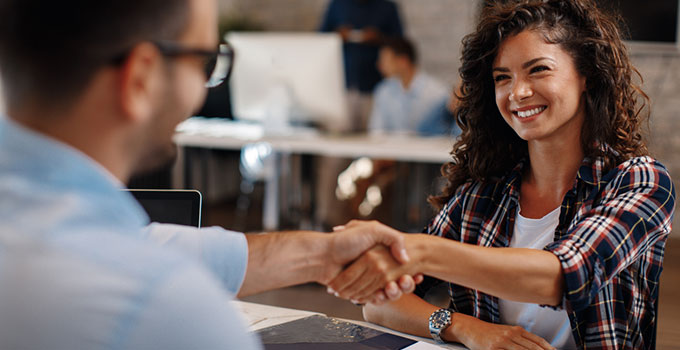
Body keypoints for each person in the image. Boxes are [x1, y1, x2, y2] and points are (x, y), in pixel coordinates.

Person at [0, 0, 418, 348]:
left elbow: (153, 243)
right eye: (205, 61)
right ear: (141, 78)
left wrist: (322, 255)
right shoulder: (167, 309)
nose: (204, 87)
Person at [326, 0, 676, 349]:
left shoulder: (639, 182)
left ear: (586, 75)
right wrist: (464, 327)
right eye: (502, 78)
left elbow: (563, 277)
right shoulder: (480, 196)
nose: (518, 92)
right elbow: (378, 303)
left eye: (538, 70)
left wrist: (418, 250)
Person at [320, 0, 404, 131]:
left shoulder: (387, 7)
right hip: (343, 83)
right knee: (339, 137)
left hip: (374, 85)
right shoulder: (337, 5)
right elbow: (320, 37)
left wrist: (379, 37)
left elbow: (400, 43)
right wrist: (336, 35)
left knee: (373, 134)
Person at [368, 37, 449, 135]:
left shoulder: (437, 93)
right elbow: (376, 132)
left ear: (403, 61)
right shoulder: (383, 91)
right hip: (390, 149)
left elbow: (443, 134)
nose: (379, 66)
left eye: (385, 60)